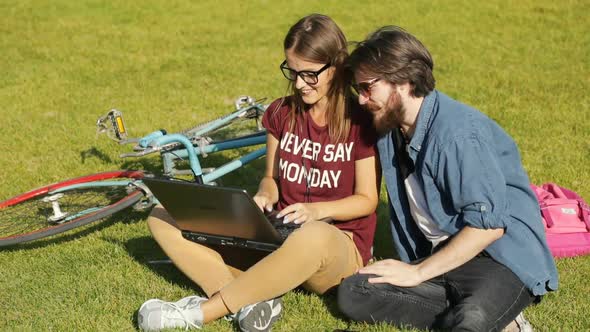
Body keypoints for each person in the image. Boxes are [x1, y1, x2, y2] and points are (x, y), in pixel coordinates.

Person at [137, 14, 379, 332]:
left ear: (335, 67)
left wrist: (316, 211)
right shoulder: (281, 113)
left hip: (336, 248)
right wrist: (266, 193)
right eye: (291, 72)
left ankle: (201, 314)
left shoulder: (360, 122)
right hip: (279, 237)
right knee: (162, 214)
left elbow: (367, 200)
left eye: (309, 75)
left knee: (313, 233)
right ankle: (251, 302)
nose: (298, 84)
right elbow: (271, 178)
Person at [337, 26, 558, 332]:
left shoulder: (458, 135)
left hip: (497, 258)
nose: (361, 100)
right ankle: (480, 312)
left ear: (402, 80)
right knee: (355, 291)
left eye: (367, 88)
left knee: (472, 322)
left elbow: (488, 228)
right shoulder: (391, 125)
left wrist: (417, 274)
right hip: (443, 257)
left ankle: (495, 317)